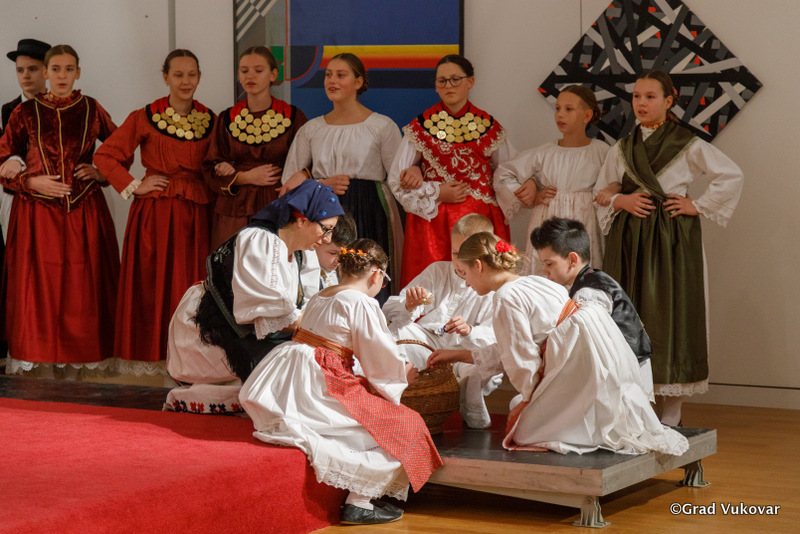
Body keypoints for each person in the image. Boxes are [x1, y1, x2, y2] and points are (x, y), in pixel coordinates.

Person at [428, 232, 689, 455]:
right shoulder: (532, 280)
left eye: (465, 274)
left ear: (478, 265)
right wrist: (457, 355)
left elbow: (521, 360)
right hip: (591, 341)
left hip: (575, 355)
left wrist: (528, 400)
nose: (466, 283)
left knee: (525, 431)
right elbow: (512, 350)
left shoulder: (505, 297)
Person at [240, 239, 442, 525]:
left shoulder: (321, 296)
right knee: (404, 426)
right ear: (376, 274)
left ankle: (362, 495)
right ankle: (359, 502)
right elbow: (378, 354)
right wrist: (402, 375)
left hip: (293, 378)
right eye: (384, 280)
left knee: (373, 421)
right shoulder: (361, 302)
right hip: (322, 381)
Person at [593, 70, 744, 426]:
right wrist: (621, 201)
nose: (641, 103)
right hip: (629, 238)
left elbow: (730, 175)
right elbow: (602, 191)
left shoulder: (686, 143)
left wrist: (697, 205)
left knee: (674, 311)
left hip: (671, 238)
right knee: (630, 312)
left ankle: (672, 410)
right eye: (637, 97)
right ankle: (636, 404)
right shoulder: (622, 147)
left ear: (668, 100)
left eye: (650, 97)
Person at [0, 44, 121, 377]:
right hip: (36, 214)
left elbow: (120, 148)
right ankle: (41, 364)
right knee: (40, 289)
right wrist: (30, 181)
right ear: (46, 72)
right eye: (56, 69)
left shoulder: (92, 108)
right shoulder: (24, 112)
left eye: (69, 69)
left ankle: (77, 367)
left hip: (84, 211)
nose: (62, 75)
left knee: (81, 289)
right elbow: (3, 160)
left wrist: (101, 172)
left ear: (78, 72)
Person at [94, 49, 215, 376]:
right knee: (151, 285)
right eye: (178, 75)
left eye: (192, 74)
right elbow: (105, 156)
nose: (186, 81)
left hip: (196, 215)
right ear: (165, 77)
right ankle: (152, 357)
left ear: (199, 77)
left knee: (191, 286)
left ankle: (190, 362)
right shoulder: (144, 116)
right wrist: (134, 185)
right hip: (156, 215)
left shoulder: (211, 120)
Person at [280, 52, 403, 303]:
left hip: (371, 208)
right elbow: (289, 182)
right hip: (325, 210)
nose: (332, 80)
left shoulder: (381, 126)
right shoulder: (312, 129)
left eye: (340, 75)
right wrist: (321, 184)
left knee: (367, 272)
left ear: (358, 82)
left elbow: (398, 178)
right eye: (328, 75)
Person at [388, 54, 515, 287]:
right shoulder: (422, 126)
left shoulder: (488, 126)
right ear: (436, 86)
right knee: (432, 288)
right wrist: (436, 191)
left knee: (481, 283)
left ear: (470, 81)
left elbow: (509, 172)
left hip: (479, 222)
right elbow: (396, 179)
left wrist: (529, 187)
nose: (449, 86)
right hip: (433, 222)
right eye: (442, 81)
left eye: (455, 79)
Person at [382, 213, 501, 428]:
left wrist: (469, 330)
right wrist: (409, 305)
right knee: (396, 332)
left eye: (466, 255)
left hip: (465, 355)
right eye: (455, 253)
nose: (459, 262)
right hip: (430, 346)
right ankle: (395, 401)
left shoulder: (493, 288)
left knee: (479, 370)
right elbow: (392, 312)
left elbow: (494, 336)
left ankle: (470, 407)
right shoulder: (438, 271)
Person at [530, 217, 653, 400]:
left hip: (626, 372)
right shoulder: (588, 281)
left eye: (549, 264)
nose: (545, 271)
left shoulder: (589, 293)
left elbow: (587, 344)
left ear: (572, 259)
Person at [493, 85, 608, 274]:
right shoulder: (545, 152)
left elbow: (613, 182)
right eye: (558, 108)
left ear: (587, 116)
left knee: (581, 275)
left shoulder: (601, 152)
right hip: (549, 224)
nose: (560, 114)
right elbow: (504, 174)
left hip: (585, 226)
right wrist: (533, 195)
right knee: (545, 274)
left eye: (569, 109)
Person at [203, 46, 307, 249]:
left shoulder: (293, 116)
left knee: (275, 261)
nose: (250, 76)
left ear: (273, 74)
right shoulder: (226, 118)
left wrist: (301, 174)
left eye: (258, 70)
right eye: (244, 71)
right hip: (234, 208)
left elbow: (309, 164)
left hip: (278, 200)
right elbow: (210, 168)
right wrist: (244, 176)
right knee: (233, 260)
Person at [300, 209, 357, 299]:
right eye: (333, 253)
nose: (339, 260)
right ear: (318, 242)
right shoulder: (304, 267)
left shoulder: (339, 273)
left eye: (343, 254)